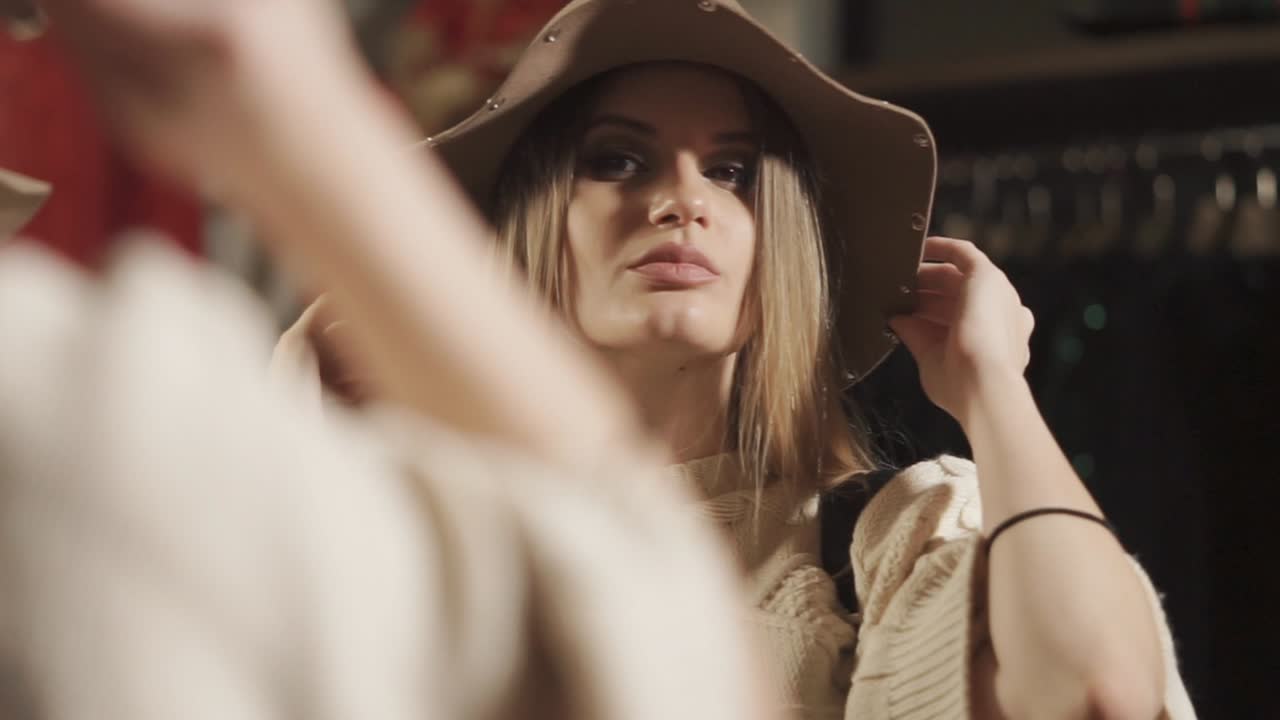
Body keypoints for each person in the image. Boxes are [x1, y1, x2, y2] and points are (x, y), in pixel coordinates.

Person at [28, 0, 1194, 719]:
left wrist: (991, 388)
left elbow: (1095, 696)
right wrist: (302, 434)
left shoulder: (890, 541)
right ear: (539, 232)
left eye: (733, 174)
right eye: (619, 163)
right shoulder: (442, 536)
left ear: (773, 247)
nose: (681, 202)